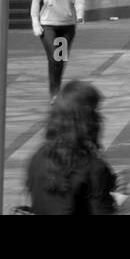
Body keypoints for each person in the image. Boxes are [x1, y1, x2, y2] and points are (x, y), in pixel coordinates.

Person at [26, 81, 119, 215]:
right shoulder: (93, 167)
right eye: (96, 111)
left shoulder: (38, 157)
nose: (100, 118)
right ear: (88, 121)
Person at [31, 0, 86, 99]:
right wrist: (35, 23)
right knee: (55, 57)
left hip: (66, 27)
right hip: (48, 26)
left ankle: (56, 90)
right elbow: (35, 2)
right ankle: (54, 92)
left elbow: (79, 0)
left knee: (59, 59)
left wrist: (80, 15)